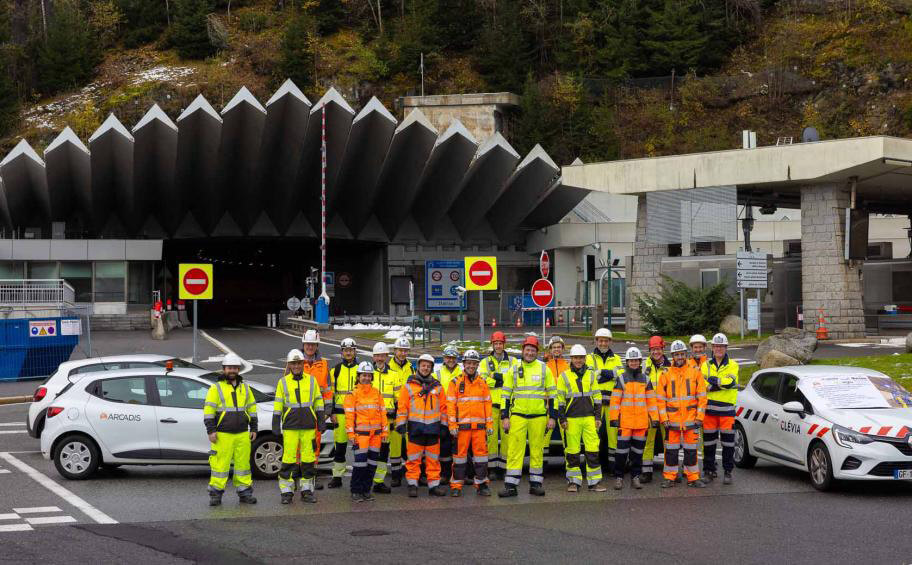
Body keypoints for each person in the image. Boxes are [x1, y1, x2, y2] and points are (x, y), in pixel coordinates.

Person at [499, 335, 556, 498]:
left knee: (537, 451)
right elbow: (505, 395)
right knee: (514, 451)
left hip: (538, 417)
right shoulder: (514, 369)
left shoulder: (544, 368)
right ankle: (510, 486)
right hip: (517, 416)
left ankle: (536, 485)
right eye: (527, 349)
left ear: (536, 352)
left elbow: (553, 395)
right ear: (523, 351)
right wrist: (505, 416)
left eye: (533, 350)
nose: (530, 353)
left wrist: (552, 417)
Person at [204, 353, 257, 506]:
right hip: (222, 434)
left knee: (243, 466)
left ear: (238, 369)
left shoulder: (245, 388)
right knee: (219, 466)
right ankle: (215, 495)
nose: (232, 370)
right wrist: (211, 430)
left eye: (234, 368)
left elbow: (252, 409)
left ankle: (245, 494)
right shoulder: (216, 388)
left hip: (242, 433)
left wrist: (253, 428)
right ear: (224, 369)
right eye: (229, 368)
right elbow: (208, 412)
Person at [274, 349, 325, 504]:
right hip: (290, 427)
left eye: (299, 363)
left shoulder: (311, 381)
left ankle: (307, 490)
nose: (296, 366)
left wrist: (321, 421)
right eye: (293, 363)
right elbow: (278, 405)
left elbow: (318, 401)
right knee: (288, 460)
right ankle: (286, 492)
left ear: (303, 364)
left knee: (308, 461)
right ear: (289, 365)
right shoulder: (282, 382)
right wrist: (275, 425)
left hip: (309, 426)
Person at [656, 340, 707, 489]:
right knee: (671, 452)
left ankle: (692, 478)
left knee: (691, 451)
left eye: (682, 354)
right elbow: (660, 400)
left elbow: (702, 397)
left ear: (686, 354)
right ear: (672, 356)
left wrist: (699, 417)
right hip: (671, 421)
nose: (679, 357)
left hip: (691, 420)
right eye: (677, 354)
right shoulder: (666, 374)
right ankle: (669, 478)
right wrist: (664, 418)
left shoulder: (695, 372)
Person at [396, 353, 449, 497]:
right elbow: (402, 407)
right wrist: (401, 424)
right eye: (423, 365)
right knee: (413, 460)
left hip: (433, 429)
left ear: (431, 368)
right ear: (418, 367)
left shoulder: (438, 387)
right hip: (415, 428)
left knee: (433, 460)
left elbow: (443, 408)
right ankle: (413, 485)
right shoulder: (408, 386)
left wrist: (444, 426)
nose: (425, 368)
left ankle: (434, 486)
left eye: (428, 366)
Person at [557, 344, 606, 492]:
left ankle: (594, 482)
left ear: (585, 359)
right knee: (572, 451)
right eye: (576, 357)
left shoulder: (590, 375)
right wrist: (562, 419)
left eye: (581, 358)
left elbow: (597, 397)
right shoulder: (564, 376)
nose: (578, 360)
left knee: (593, 450)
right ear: (571, 358)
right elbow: (560, 400)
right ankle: (573, 482)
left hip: (589, 418)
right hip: (571, 419)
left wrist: (597, 416)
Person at [609, 347, 659, 490]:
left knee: (638, 453)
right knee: (621, 453)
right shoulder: (622, 378)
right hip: (625, 423)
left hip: (641, 424)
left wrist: (654, 418)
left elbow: (651, 401)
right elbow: (615, 401)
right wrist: (614, 418)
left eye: (636, 360)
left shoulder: (646, 379)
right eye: (631, 361)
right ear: (628, 362)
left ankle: (635, 477)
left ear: (640, 362)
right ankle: (619, 477)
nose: (634, 363)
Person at [446, 349, 493, 497]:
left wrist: (489, 425)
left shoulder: (482, 383)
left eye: (474, 363)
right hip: (462, 429)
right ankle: (456, 486)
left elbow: (487, 405)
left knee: (481, 459)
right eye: (469, 363)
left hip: (479, 428)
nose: (471, 366)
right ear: (464, 364)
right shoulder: (455, 382)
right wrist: (452, 426)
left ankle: (482, 485)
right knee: (459, 459)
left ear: (477, 365)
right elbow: (451, 406)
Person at [345, 361, 388, 502]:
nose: (366, 378)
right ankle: (356, 491)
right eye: (364, 375)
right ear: (358, 376)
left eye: (369, 375)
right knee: (360, 464)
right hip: (360, 436)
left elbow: (383, 413)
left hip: (375, 435)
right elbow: (350, 416)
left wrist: (385, 432)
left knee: (372, 464)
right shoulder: (353, 394)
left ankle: (366, 490)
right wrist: (350, 434)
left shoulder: (377, 392)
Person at [701, 332, 739, 485]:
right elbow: (702, 385)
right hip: (709, 411)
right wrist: (718, 385)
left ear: (726, 347)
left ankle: (728, 471)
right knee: (708, 444)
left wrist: (714, 382)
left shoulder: (733, 365)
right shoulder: (705, 365)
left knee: (728, 444)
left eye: (721, 346)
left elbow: (730, 383)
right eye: (716, 346)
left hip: (727, 412)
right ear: (712, 347)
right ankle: (709, 471)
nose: (718, 349)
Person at [586, 328, 623, 477]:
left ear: (610, 342)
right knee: (594, 435)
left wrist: (601, 373)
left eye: (605, 340)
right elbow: (589, 377)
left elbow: (620, 376)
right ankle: (596, 467)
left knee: (613, 435)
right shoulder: (589, 358)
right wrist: (609, 374)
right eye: (600, 340)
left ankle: (613, 467)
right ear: (596, 341)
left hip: (613, 403)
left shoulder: (617, 358)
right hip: (596, 403)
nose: (603, 343)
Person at [479, 330, 514, 480]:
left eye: (500, 343)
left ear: (504, 344)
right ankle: (492, 468)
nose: (498, 346)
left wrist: (495, 376)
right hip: (491, 404)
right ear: (492, 345)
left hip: (507, 404)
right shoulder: (485, 362)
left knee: (507, 437)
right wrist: (500, 380)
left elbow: (514, 378)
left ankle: (505, 467)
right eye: (496, 343)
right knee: (491, 437)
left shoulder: (513, 361)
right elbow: (483, 380)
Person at [300, 330, 332, 490]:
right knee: (299, 445)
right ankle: (300, 476)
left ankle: (311, 476)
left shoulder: (324, 364)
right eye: (307, 344)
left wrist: (327, 410)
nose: (310, 347)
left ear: (317, 345)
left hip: (317, 412)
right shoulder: (295, 361)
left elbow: (327, 390)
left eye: (312, 344)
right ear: (303, 345)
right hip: (299, 413)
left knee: (315, 445)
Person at [327, 337, 359, 489]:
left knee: (359, 447)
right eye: (345, 350)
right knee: (339, 447)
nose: (348, 353)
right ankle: (337, 477)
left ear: (355, 351)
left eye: (351, 350)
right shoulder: (335, 370)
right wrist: (331, 412)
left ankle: (360, 476)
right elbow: (330, 394)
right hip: (339, 414)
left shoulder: (362, 369)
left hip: (358, 415)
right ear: (341, 352)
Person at [371, 341, 399, 493]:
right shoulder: (367, 373)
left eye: (382, 355)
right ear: (373, 357)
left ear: (387, 357)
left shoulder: (393, 376)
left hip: (388, 420)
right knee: (370, 451)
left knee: (383, 451)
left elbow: (398, 399)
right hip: (370, 420)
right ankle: (368, 479)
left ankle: (378, 481)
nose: (380, 358)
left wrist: (396, 418)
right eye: (377, 355)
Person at [641, 336, 670, 483]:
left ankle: (669, 472)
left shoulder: (670, 366)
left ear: (663, 349)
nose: (655, 352)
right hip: (650, 410)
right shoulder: (645, 366)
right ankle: (647, 472)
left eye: (658, 349)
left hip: (667, 410)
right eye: (653, 350)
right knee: (648, 441)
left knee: (669, 441)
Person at [387, 336, 414, 487]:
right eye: (400, 350)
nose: (402, 353)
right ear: (395, 351)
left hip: (409, 411)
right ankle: (396, 475)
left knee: (410, 444)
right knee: (396, 444)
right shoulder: (388, 367)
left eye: (405, 351)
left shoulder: (411, 368)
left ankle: (412, 473)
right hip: (395, 411)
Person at [435, 346, 462, 485]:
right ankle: (445, 474)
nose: (450, 360)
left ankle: (461, 474)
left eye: (453, 357)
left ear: (456, 358)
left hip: (460, 415)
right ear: (444, 358)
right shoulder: (437, 373)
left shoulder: (462, 372)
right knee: (444, 447)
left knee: (461, 447)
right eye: (448, 357)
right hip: (444, 416)